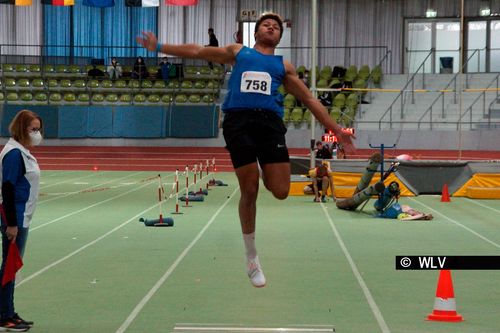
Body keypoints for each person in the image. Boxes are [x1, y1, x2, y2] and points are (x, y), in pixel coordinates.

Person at [136, 12, 355, 288]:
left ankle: (264, 165)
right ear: (256, 33)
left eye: (276, 26)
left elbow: (309, 98)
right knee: (249, 189)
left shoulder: (282, 65)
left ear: (279, 37)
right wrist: (159, 47)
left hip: (269, 124)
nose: (271, 27)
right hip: (238, 121)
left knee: (281, 191)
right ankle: (252, 257)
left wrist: (337, 130)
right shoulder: (238, 52)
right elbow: (199, 50)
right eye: (266, 24)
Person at [0, 109, 42, 332]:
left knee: (10, 266)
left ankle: (8, 311)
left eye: (38, 129)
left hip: (21, 216)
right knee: (9, 266)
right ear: (21, 129)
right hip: (14, 217)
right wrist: (12, 224)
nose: (37, 133)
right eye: (33, 129)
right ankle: (5, 315)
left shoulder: (23, 152)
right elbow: (7, 188)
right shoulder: (14, 154)